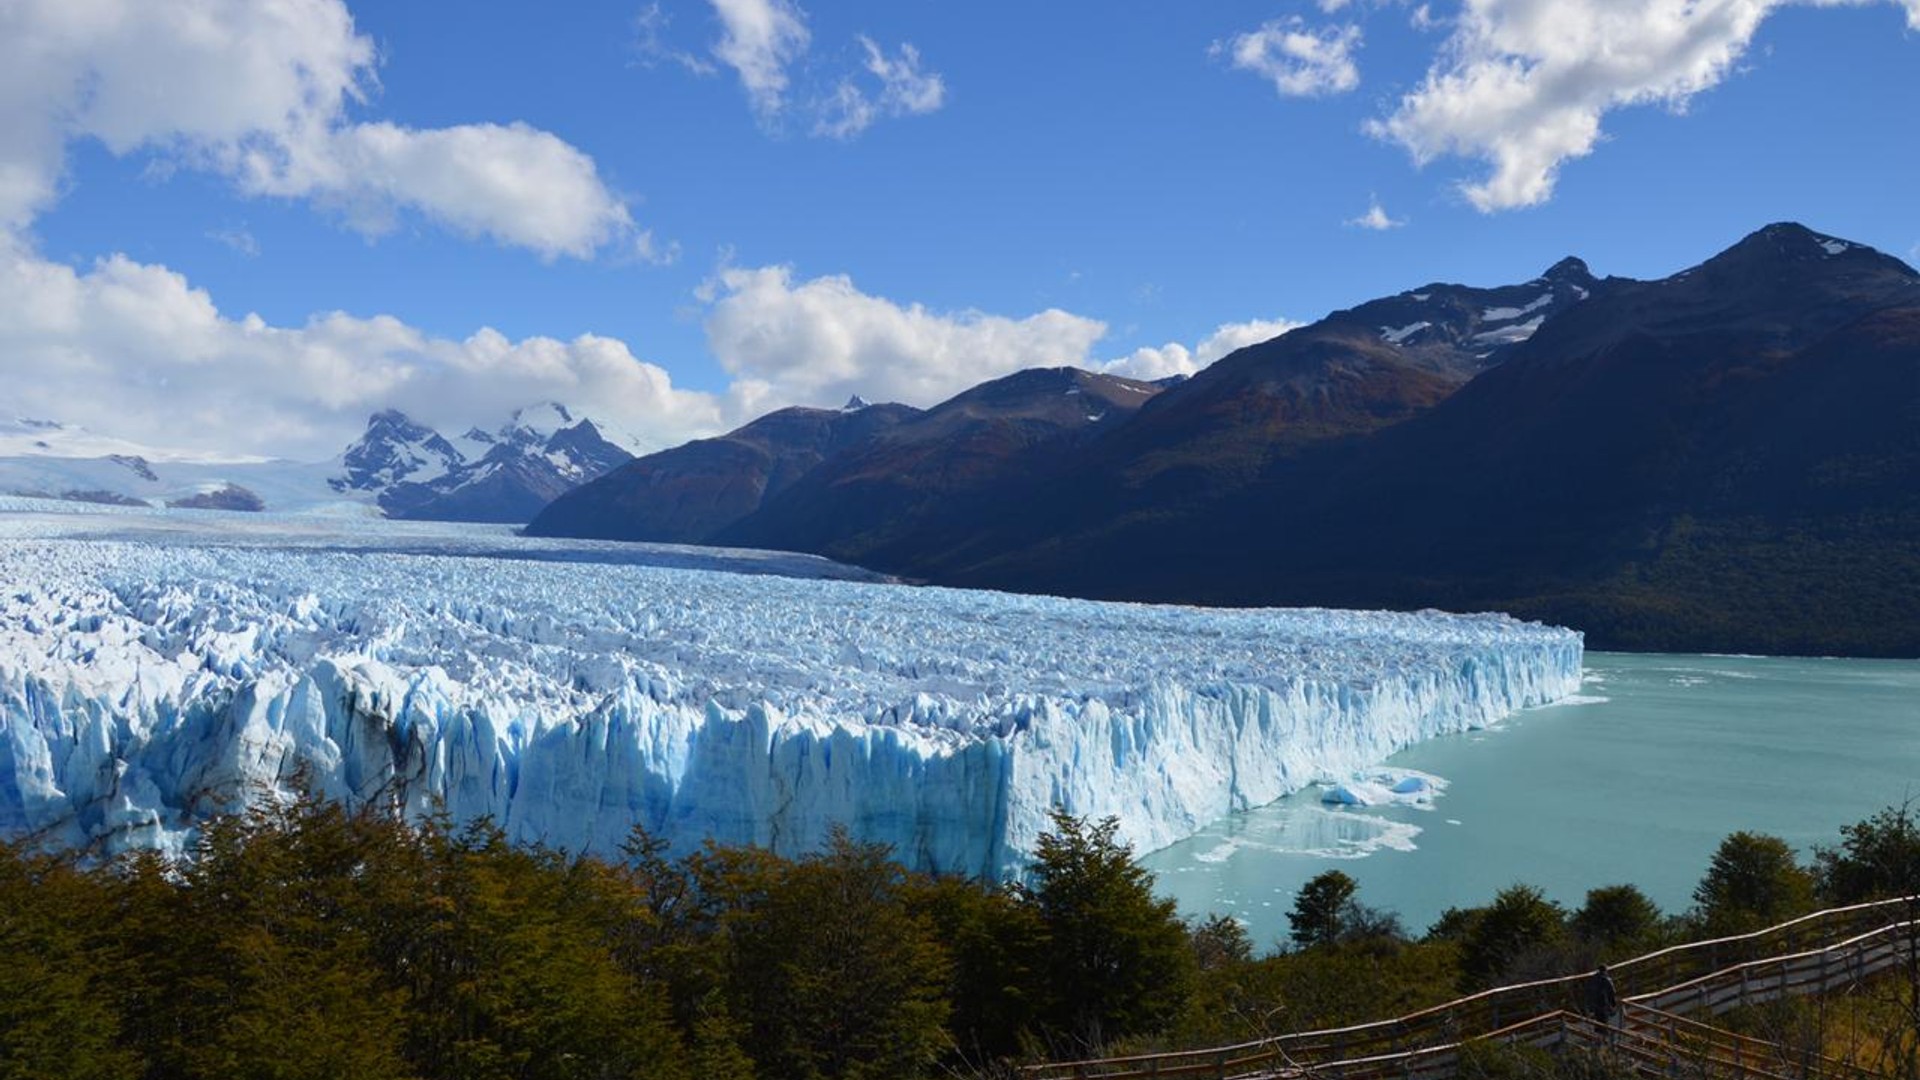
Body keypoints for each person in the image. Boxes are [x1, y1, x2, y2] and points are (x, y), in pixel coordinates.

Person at [1586, 963, 1619, 1031]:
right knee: (1604, 1019)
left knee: (1598, 1019)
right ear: (1605, 970)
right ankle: (1604, 1035)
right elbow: (1611, 992)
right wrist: (1613, 1003)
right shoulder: (1606, 979)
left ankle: (1598, 1035)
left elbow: (1589, 990)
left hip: (1594, 1002)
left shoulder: (1593, 978)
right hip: (1603, 1002)